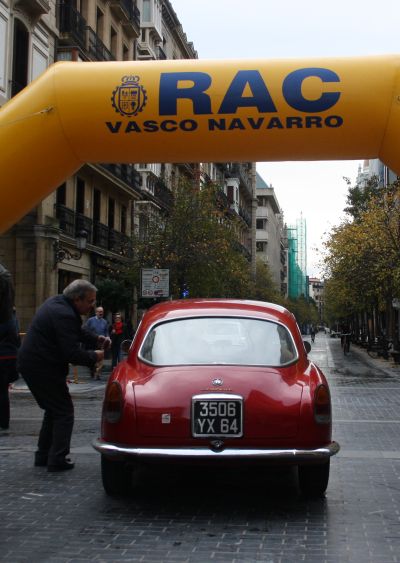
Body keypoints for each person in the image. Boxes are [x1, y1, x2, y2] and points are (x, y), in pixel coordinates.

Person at [17, 279, 110, 472]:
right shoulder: (64, 314)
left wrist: (96, 339)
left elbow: (75, 332)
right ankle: (57, 458)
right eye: (90, 301)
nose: (92, 306)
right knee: (63, 412)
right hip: (42, 366)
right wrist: (95, 356)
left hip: (36, 364)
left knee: (53, 410)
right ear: (77, 299)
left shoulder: (58, 304)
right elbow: (71, 353)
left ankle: (43, 455)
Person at [0, 264, 19, 431]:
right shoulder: (10, 316)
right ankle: (3, 422)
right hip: (7, 356)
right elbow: (15, 337)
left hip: (5, 355)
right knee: (2, 391)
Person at [84, 306, 109, 379]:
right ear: (96, 312)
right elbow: (85, 330)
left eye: (102, 312)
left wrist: (107, 337)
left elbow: (106, 332)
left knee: (101, 358)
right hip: (92, 342)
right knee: (93, 358)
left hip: (101, 343)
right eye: (99, 312)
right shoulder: (90, 320)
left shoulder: (105, 322)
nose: (101, 313)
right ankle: (92, 370)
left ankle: (98, 374)